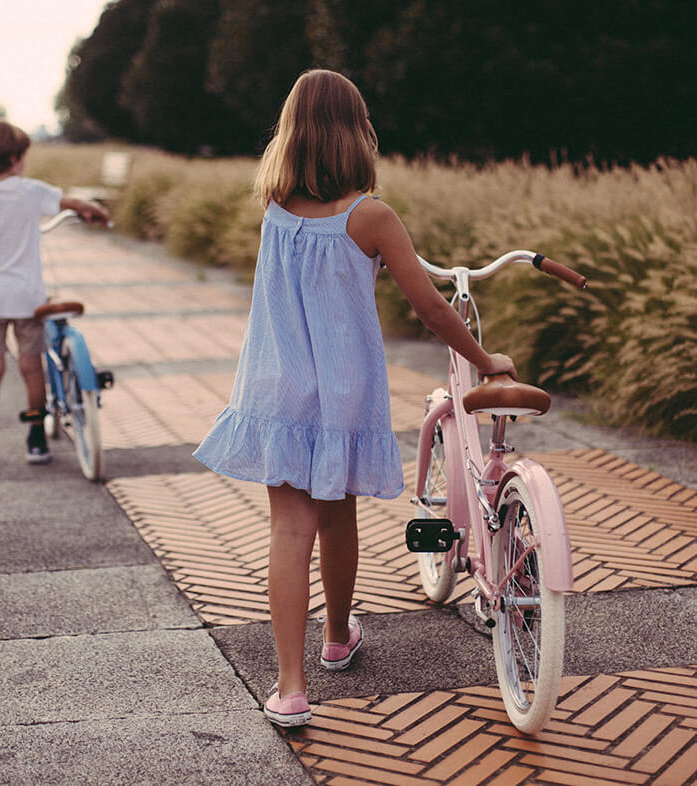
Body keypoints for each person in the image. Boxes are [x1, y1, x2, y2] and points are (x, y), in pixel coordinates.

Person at [193, 69, 516, 727]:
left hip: (279, 387)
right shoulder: (371, 216)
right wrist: (486, 359)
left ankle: (290, 687)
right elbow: (427, 303)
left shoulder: (275, 212)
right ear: (357, 132)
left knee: (289, 528)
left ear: (291, 135)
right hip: (342, 394)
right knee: (338, 517)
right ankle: (338, 637)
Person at [0, 118, 109, 467]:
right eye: (23, 156)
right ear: (13, 159)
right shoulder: (31, 191)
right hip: (27, 297)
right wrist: (96, 212)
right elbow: (74, 203)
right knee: (31, 367)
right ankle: (36, 441)